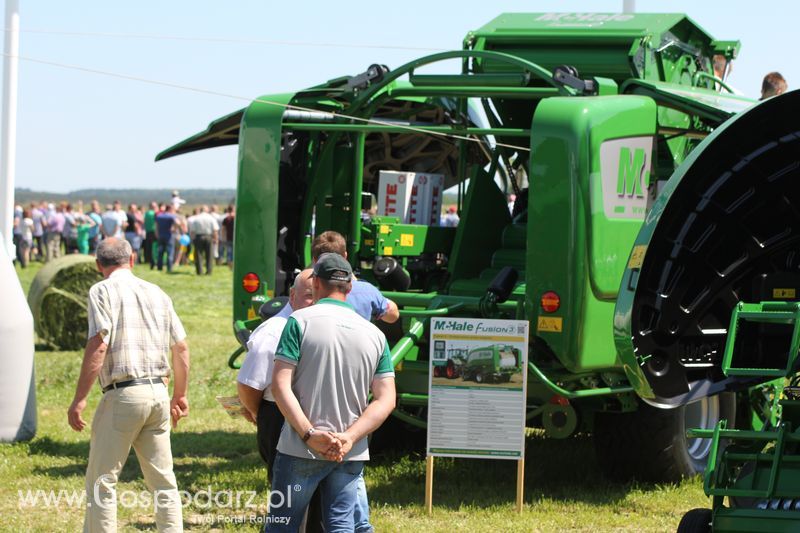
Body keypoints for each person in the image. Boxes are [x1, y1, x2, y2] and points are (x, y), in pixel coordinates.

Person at [67, 238, 190, 532]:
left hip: (123, 394)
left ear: (99, 265)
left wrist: (79, 399)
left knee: (102, 481)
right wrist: (180, 395)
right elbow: (182, 348)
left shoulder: (102, 290)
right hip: (158, 394)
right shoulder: (157, 292)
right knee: (163, 480)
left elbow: (99, 345)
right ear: (132, 259)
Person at [267, 253, 396, 532]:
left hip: (299, 448)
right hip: (350, 451)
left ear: (314, 283)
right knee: (342, 527)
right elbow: (386, 398)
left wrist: (309, 434)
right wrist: (350, 437)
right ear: (350, 286)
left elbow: (280, 385)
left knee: (282, 526)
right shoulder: (375, 334)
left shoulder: (298, 322)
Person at [237, 269, 314, 483]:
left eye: (319, 295)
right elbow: (248, 385)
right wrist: (258, 413)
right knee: (287, 485)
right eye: (309, 295)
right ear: (292, 295)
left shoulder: (312, 322)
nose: (315, 302)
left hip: (311, 414)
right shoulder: (275, 331)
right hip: (280, 417)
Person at [311, 231, 400, 324]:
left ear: (314, 259)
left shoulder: (300, 287)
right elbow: (393, 314)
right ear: (345, 256)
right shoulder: (367, 291)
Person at [188, 205, 219, 275]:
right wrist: (216, 239)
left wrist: (192, 240)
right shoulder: (211, 218)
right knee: (209, 255)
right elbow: (215, 230)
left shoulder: (196, 218)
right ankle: (209, 271)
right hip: (208, 237)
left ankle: (199, 271)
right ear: (207, 210)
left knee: (198, 255)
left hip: (198, 237)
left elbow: (192, 231)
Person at [155, 205, 178, 272]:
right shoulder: (171, 216)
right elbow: (178, 223)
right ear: (170, 209)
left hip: (160, 235)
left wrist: (157, 234)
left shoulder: (159, 216)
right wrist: (174, 228)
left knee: (160, 252)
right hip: (169, 236)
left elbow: (156, 226)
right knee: (170, 253)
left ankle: (159, 267)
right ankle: (169, 268)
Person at [143, 201, 158, 268]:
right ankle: (154, 261)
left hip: (148, 232)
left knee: (149, 247)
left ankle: (149, 261)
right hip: (154, 232)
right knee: (154, 248)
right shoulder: (155, 213)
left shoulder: (146, 213)